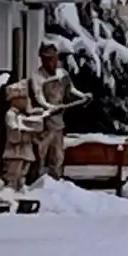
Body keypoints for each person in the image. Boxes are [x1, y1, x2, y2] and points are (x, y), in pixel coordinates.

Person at [31, 42, 89, 181]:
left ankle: (55, 182)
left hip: (58, 124)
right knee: (40, 154)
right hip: (44, 125)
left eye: (55, 58)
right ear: (43, 60)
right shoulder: (38, 77)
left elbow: (71, 91)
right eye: (49, 59)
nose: (53, 63)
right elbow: (38, 98)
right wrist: (50, 108)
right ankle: (37, 182)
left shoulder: (62, 74)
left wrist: (83, 96)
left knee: (57, 156)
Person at [0, 83, 41, 192]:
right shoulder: (11, 115)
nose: (25, 102)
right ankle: (5, 193)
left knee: (22, 176)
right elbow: (14, 131)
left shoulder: (22, 115)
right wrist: (27, 130)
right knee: (12, 175)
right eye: (22, 99)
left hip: (25, 150)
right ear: (14, 99)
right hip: (15, 151)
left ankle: (19, 192)